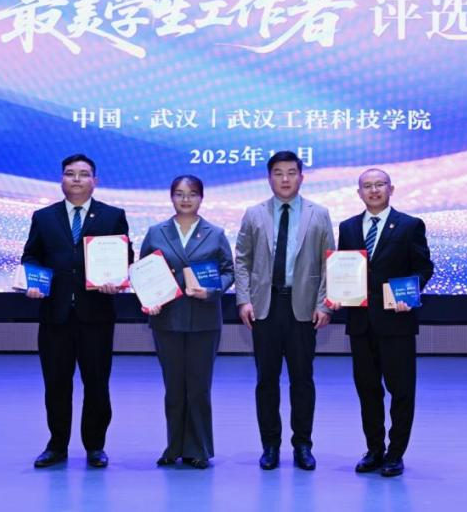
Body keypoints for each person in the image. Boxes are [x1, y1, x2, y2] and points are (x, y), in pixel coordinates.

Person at [21, 153, 134, 469]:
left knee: (96, 383)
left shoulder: (112, 216)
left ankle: (95, 446)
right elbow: (31, 257)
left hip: (96, 315)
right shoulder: (44, 217)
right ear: (61, 179)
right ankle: (57, 445)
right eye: (70, 173)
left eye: (84, 174)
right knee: (56, 383)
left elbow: (125, 256)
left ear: (95, 181)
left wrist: (116, 280)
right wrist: (33, 282)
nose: (76, 179)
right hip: (55, 314)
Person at [234, 150, 335, 471]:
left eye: (291, 172)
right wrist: (243, 299)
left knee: (302, 380)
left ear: (301, 177)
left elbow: (329, 262)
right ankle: (270, 445)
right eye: (278, 173)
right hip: (265, 307)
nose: (285, 179)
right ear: (269, 178)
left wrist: (324, 304)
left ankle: (303, 445)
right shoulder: (254, 214)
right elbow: (242, 260)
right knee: (266, 380)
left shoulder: (319, 214)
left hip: (303, 307)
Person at [331, 168, 434, 478]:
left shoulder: (410, 225)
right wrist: (338, 294)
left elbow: (423, 267)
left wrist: (410, 293)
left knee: (401, 391)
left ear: (391, 189)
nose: (373, 190)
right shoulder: (348, 227)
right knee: (368, 390)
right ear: (359, 192)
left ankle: (395, 453)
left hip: (397, 321)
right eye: (367, 186)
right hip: (360, 323)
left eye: (379, 185)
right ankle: (374, 450)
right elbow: (345, 269)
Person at [139, 175, 234, 470]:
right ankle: (173, 447)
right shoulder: (156, 232)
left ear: (201, 198)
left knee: (199, 388)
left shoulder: (215, 233)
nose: (185, 199)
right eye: (179, 194)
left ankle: (198, 449)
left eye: (192, 194)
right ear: (171, 197)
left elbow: (229, 271)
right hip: (166, 320)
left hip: (204, 321)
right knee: (173, 388)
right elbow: (143, 271)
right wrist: (147, 299)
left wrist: (212, 291)